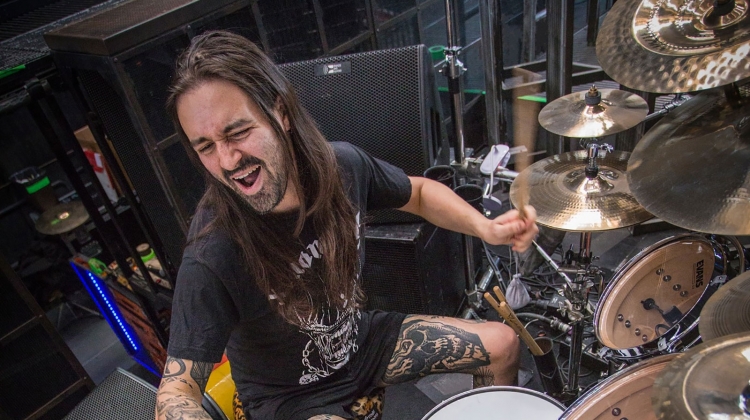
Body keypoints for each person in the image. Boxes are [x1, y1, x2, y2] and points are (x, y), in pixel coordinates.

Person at [155, 30, 538, 420]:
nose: (227, 160)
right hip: (292, 397)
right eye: (205, 146)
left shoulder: (340, 167)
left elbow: (419, 193)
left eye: (237, 132)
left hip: (362, 342)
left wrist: (486, 228)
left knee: (504, 344)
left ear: (281, 113)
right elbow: (176, 393)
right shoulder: (213, 250)